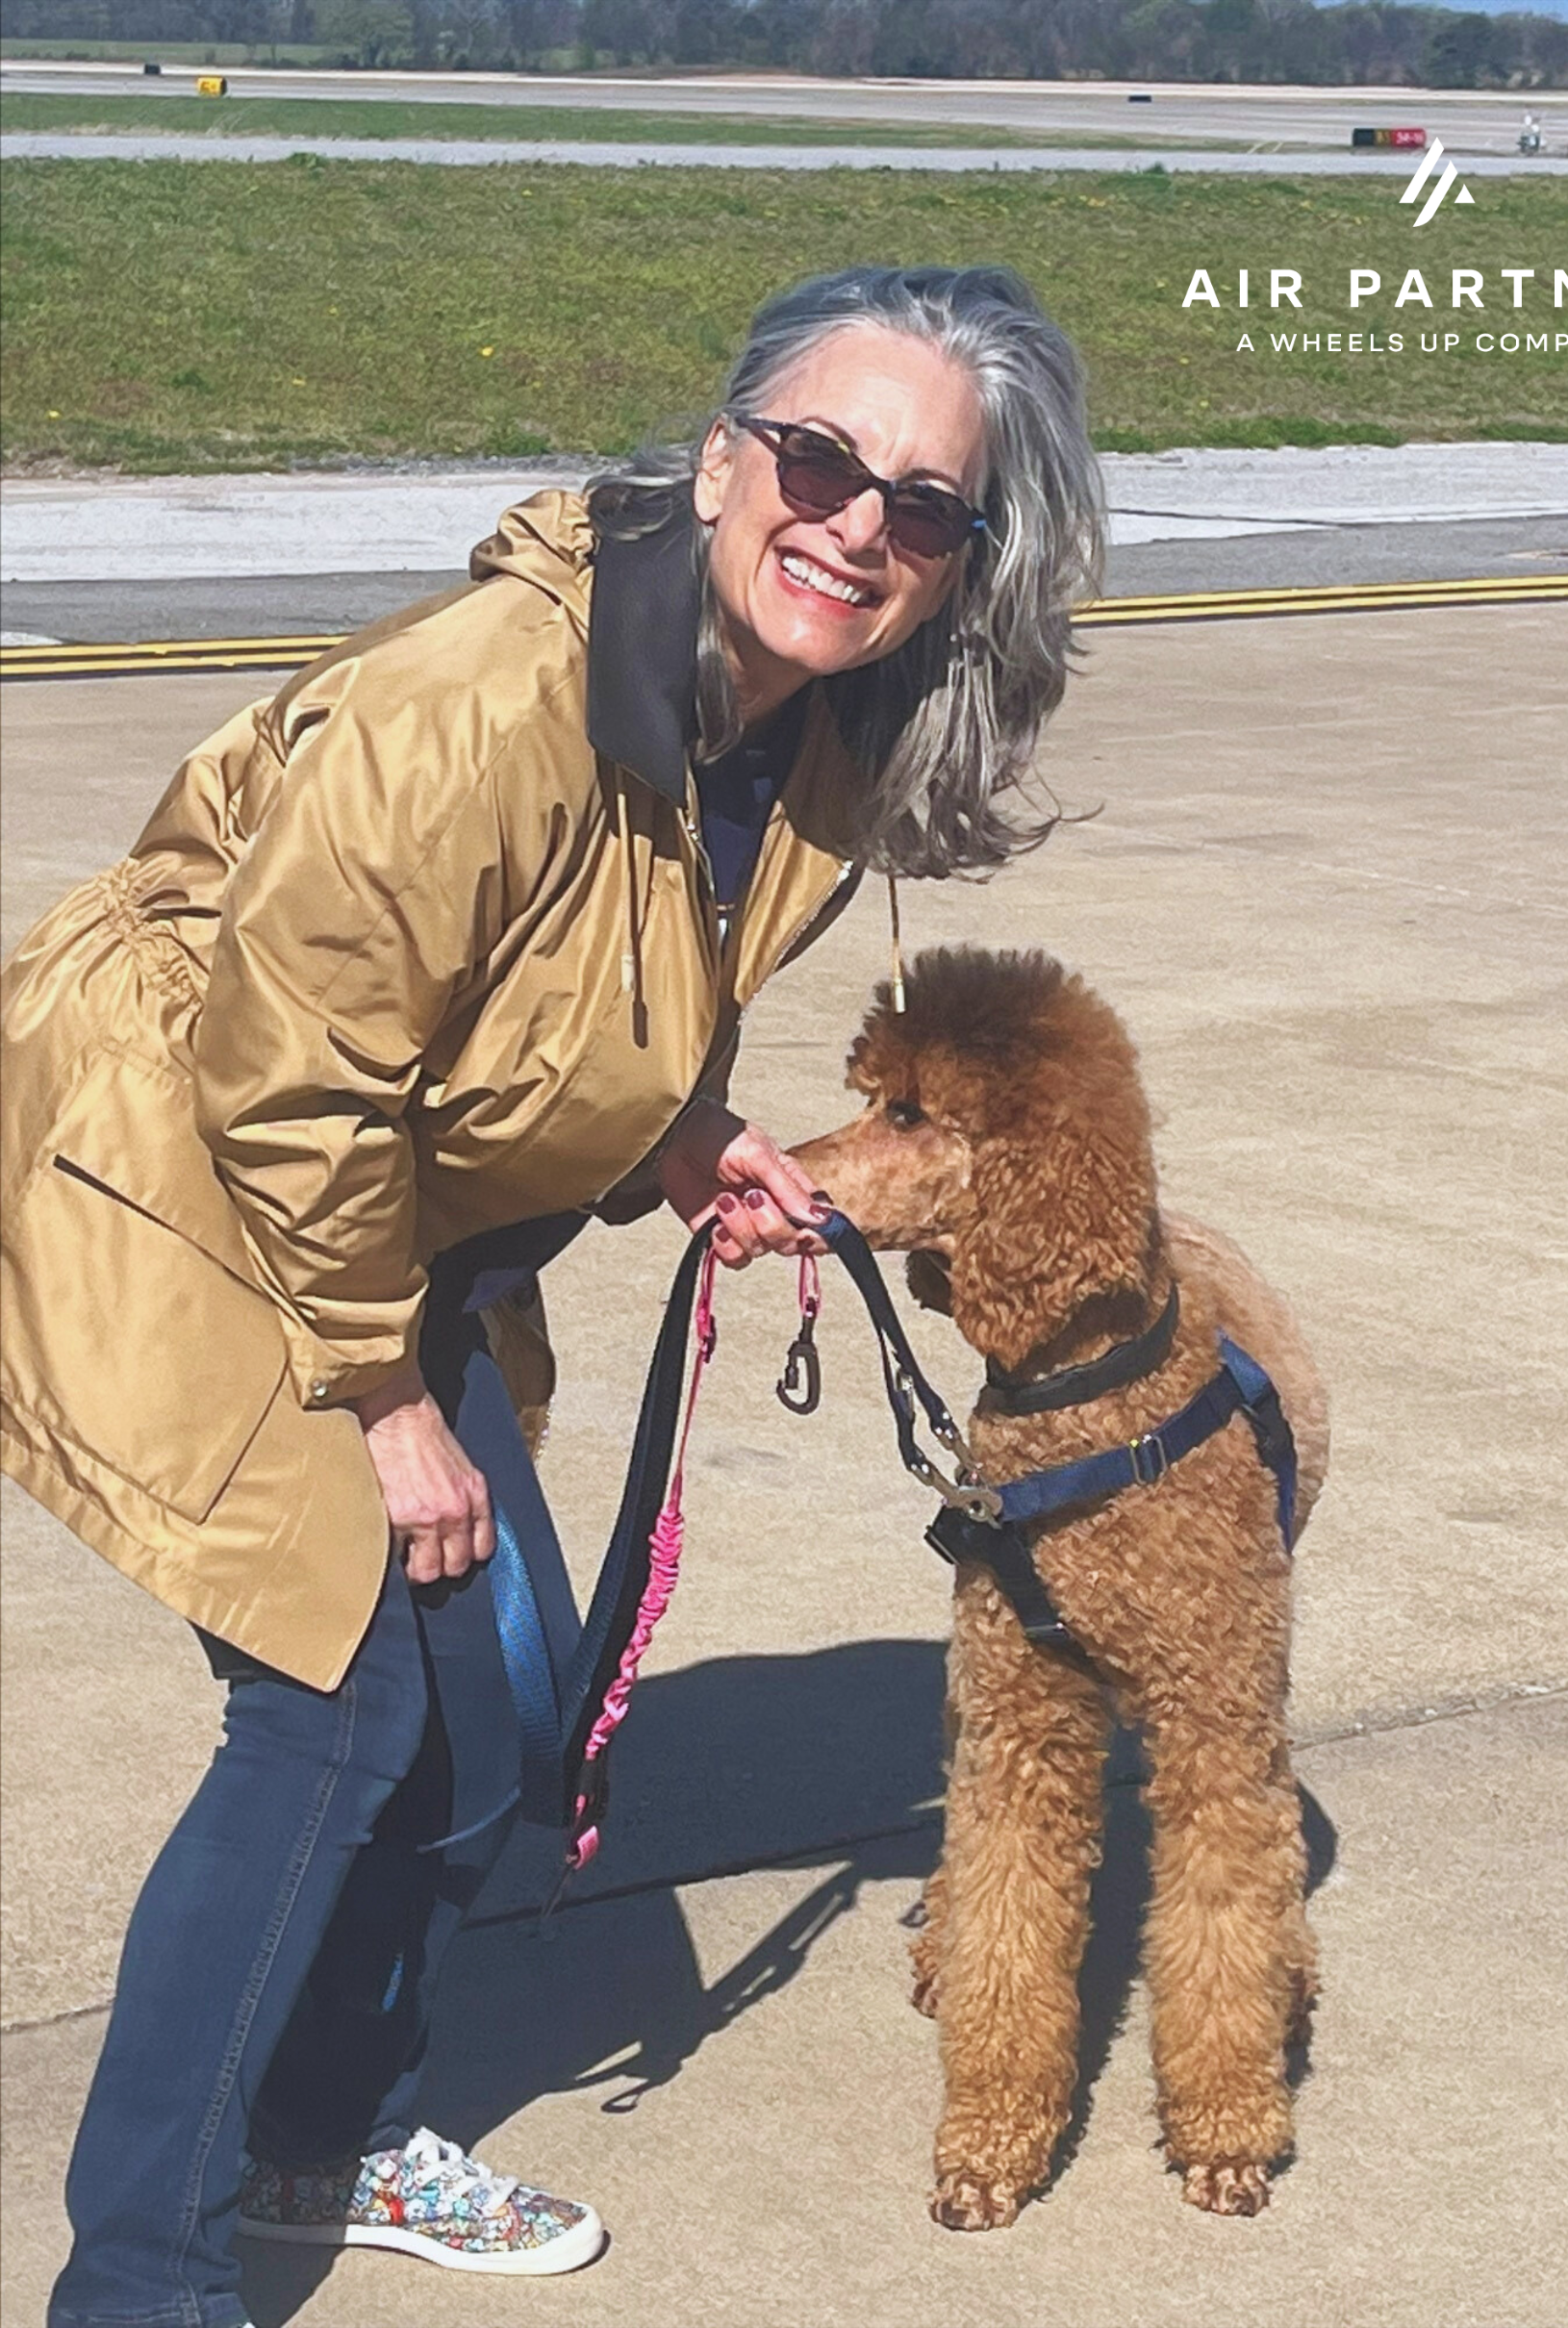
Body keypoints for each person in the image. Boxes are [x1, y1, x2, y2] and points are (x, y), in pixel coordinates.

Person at [0, 263, 1104, 2326]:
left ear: (967, 559)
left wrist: (676, 1131)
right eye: (819, 460)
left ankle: (324, 2134)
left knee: (495, 1714)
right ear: (722, 459)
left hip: (383, 1199)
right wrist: (383, 1402)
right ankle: (138, 2284)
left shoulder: (805, 724)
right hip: (195, 1165)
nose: (857, 523)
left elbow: (580, 968)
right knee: (339, 1710)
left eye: (924, 504)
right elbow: (290, 1071)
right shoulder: (480, 705)